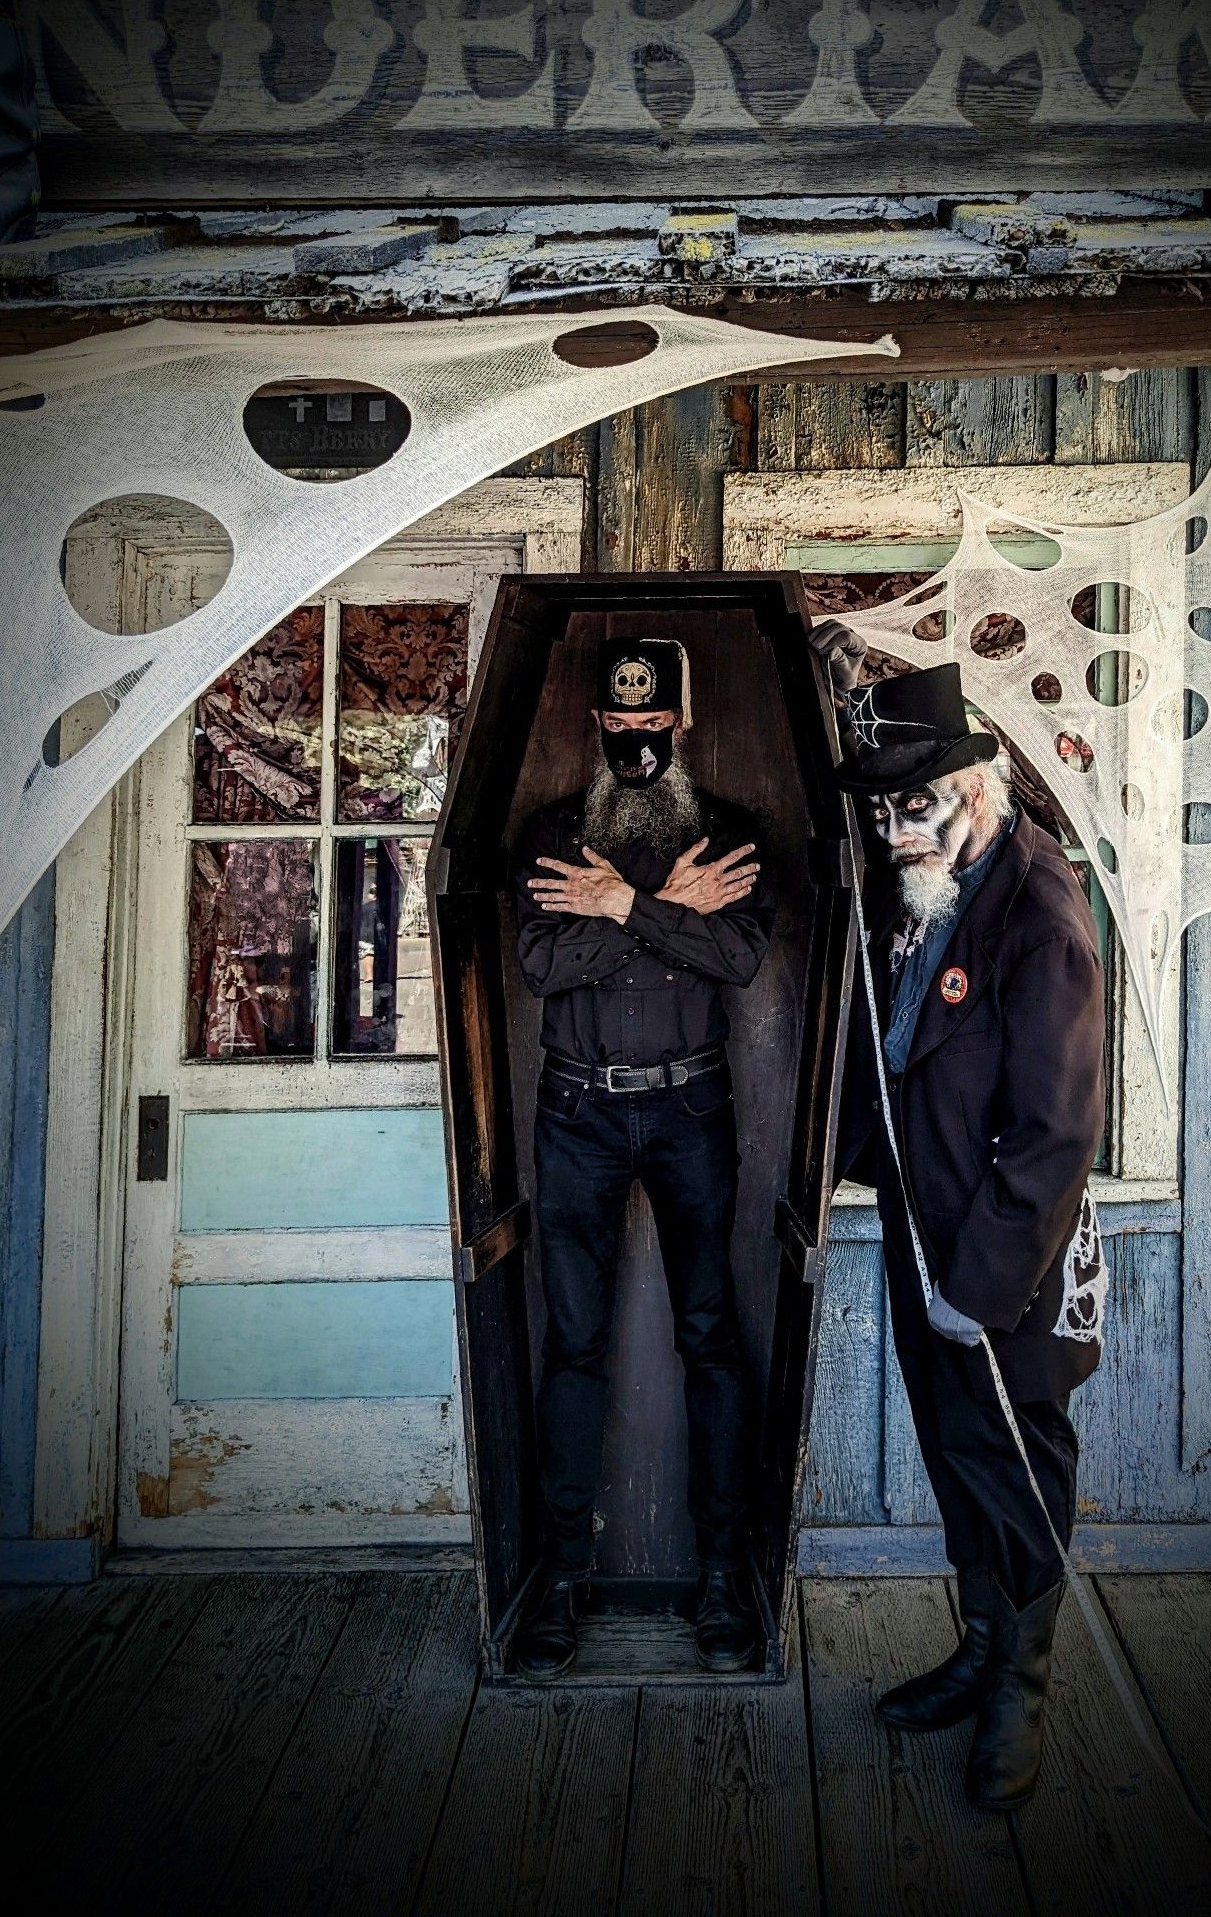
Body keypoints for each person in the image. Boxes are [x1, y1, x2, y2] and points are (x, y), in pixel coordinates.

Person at [811, 622, 1107, 1813]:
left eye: (915, 804)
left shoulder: (1036, 908)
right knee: (955, 1456)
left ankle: (1020, 1689)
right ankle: (980, 1645)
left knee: (1015, 1462)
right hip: (923, 1226)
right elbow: (897, 1055)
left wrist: (973, 1282)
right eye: (882, 812)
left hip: (1005, 1257)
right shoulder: (929, 881)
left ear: (978, 783)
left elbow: (1055, 1129)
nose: (896, 831)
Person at [511, 636, 774, 1679]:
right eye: (617, 726)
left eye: (650, 724)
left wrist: (617, 905)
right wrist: (668, 914)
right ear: (596, 729)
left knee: (710, 1336)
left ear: (681, 723)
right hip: (574, 1109)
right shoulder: (548, 834)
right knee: (572, 1344)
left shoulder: (732, 837)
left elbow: (742, 955)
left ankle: (720, 1576)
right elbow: (539, 964)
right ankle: (562, 1579)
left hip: (691, 1106)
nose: (634, 740)